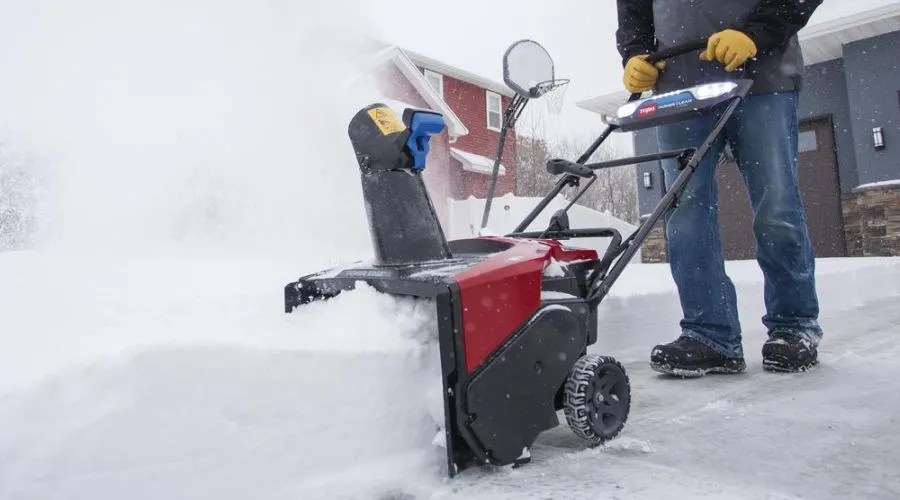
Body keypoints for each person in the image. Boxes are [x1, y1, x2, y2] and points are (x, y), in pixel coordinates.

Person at [615, 0, 825, 376]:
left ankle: (794, 326)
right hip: (678, 88)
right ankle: (710, 335)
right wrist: (636, 53)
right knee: (685, 210)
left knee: (775, 205)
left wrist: (755, 34)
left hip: (762, 77)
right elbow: (633, 10)